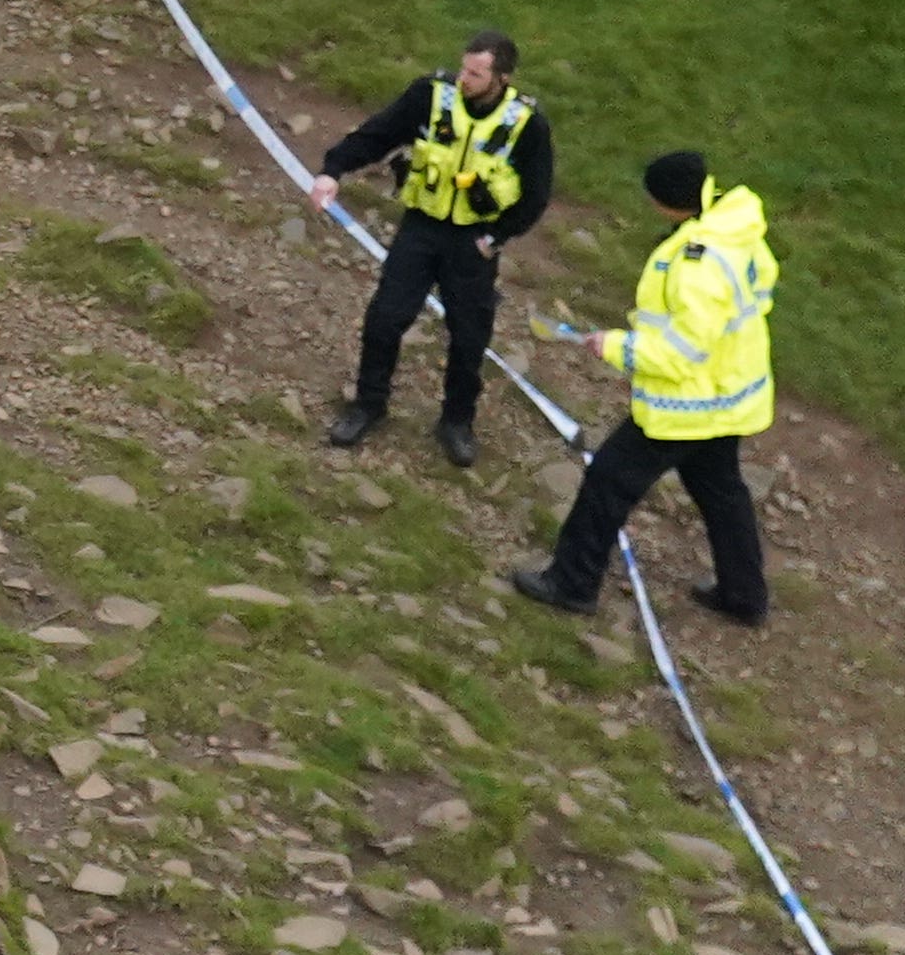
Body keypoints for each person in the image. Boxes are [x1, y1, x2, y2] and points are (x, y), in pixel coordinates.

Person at [510, 149, 773, 629]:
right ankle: (745, 593)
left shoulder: (696, 262)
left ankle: (572, 584)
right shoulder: (738, 231)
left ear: (672, 203)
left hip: (686, 403)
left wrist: (616, 347)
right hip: (729, 395)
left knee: (608, 480)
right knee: (721, 490)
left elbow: (680, 351)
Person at [303, 32, 556, 463]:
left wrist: (495, 238)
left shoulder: (526, 124)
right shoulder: (431, 96)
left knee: (469, 337)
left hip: (473, 243)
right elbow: (378, 133)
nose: (464, 79)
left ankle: (457, 421)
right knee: (385, 318)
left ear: (502, 78)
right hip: (421, 228)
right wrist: (334, 169)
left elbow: (536, 195)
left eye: (476, 74)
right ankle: (368, 404)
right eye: (464, 68)